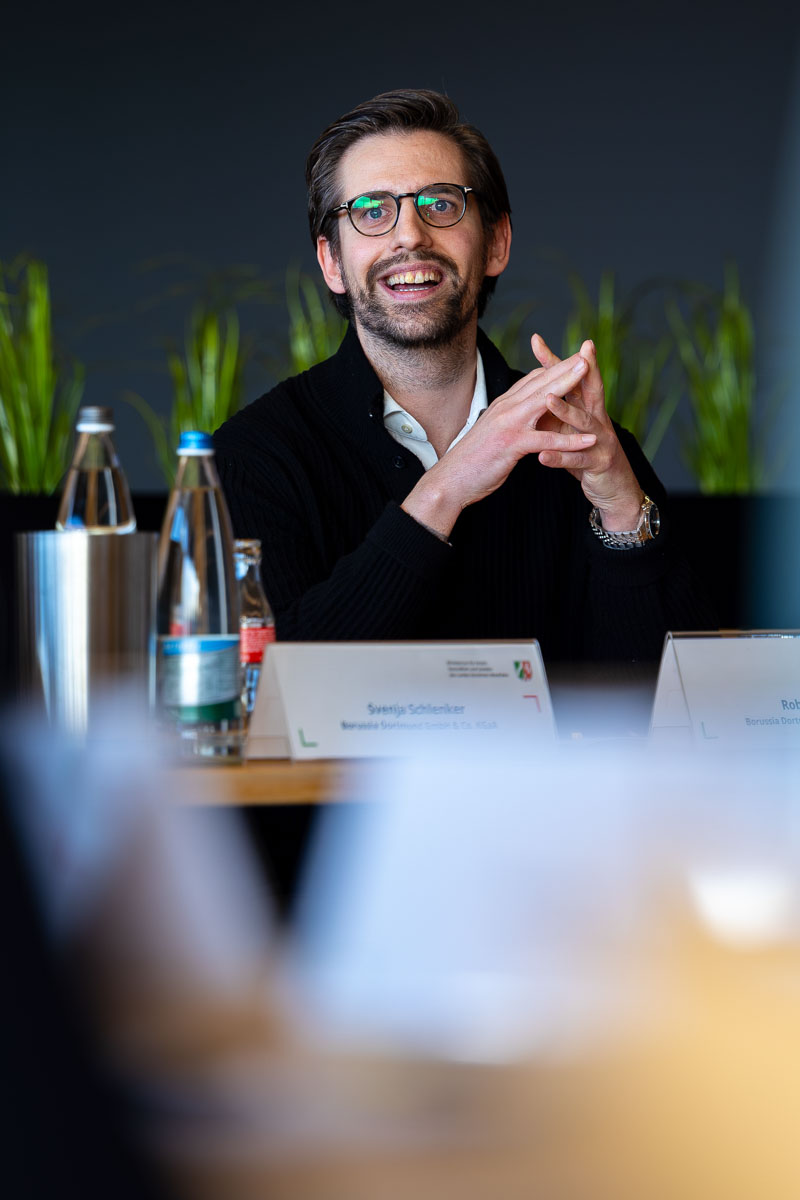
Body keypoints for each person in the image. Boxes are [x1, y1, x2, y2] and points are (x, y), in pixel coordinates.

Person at [214, 89, 714, 662]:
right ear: (332, 262)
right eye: (372, 211)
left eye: (440, 204)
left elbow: (682, 690)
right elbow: (268, 680)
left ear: (496, 243)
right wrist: (447, 487)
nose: (409, 235)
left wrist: (622, 507)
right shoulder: (253, 459)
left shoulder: (586, 450)